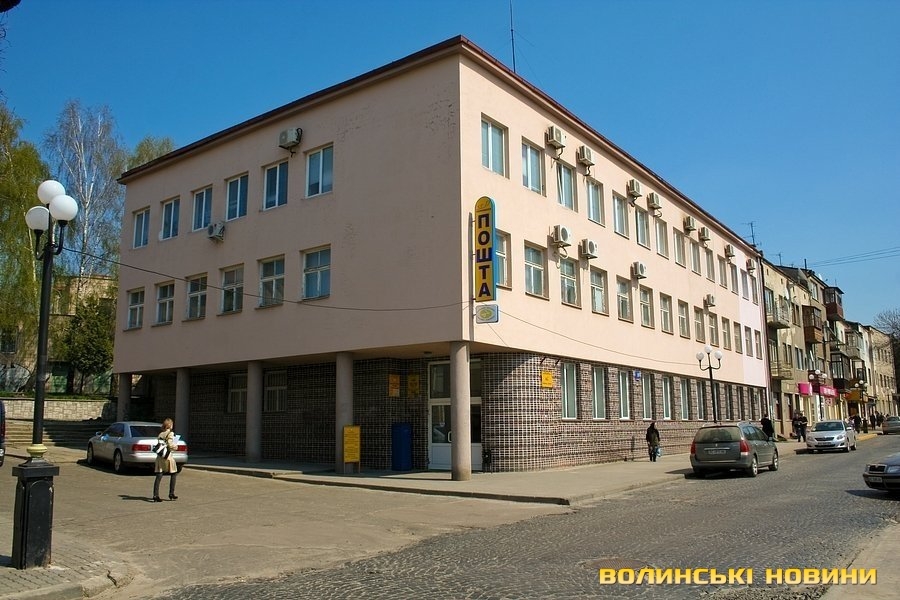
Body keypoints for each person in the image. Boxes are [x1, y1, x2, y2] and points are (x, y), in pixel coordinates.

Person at [152, 418, 179, 502]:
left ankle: (155, 495)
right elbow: (170, 445)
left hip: (160, 456)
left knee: (159, 475)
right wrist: (176, 447)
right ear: (170, 425)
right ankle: (171, 493)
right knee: (173, 473)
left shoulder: (161, 434)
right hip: (168, 456)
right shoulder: (170, 433)